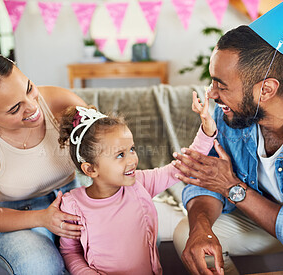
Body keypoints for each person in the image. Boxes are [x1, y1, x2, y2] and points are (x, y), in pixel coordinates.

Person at [171, 0, 283, 274]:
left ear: (267, 90)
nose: (211, 94)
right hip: (263, 213)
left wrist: (233, 187)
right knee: (187, 232)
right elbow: (205, 180)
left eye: (221, 85)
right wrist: (202, 228)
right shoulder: (234, 112)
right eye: (213, 82)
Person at [0, 35, 87, 274]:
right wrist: (43, 218)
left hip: (75, 198)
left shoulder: (61, 103)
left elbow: (108, 150)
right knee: (40, 266)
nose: (33, 107)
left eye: (29, 88)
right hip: (15, 216)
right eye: (15, 108)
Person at [57, 90, 217, 275]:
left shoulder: (139, 184)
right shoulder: (73, 205)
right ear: (91, 169)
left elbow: (182, 167)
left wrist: (207, 131)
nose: (132, 159)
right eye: (120, 155)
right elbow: (70, 251)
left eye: (132, 149)